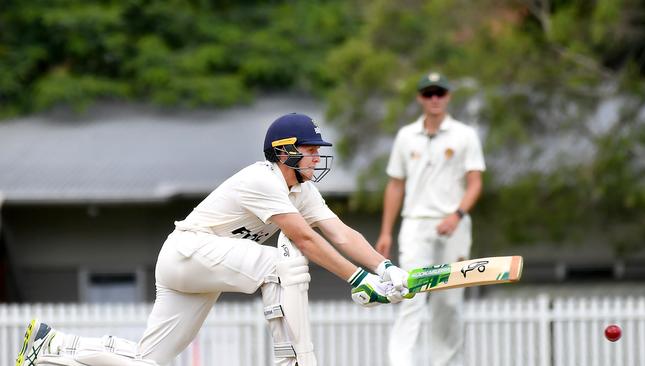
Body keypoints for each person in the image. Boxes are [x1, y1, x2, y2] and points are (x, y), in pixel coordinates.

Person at [16, 113, 411, 366]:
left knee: (147, 362)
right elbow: (305, 240)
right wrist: (359, 280)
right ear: (284, 151)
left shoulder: (302, 191)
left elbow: (340, 232)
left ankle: (53, 346)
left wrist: (385, 269)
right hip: (189, 253)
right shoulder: (263, 178)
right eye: (309, 150)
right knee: (283, 263)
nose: (315, 157)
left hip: (196, 263)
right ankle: (294, 361)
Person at [375, 72, 485, 366]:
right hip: (415, 223)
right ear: (420, 98)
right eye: (428, 93)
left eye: (439, 93)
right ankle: (400, 362)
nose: (434, 99)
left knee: (448, 302)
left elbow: (475, 182)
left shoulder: (465, 135)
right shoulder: (405, 136)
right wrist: (386, 231)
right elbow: (395, 185)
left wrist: (457, 214)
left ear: (448, 96)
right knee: (410, 292)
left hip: (454, 224)